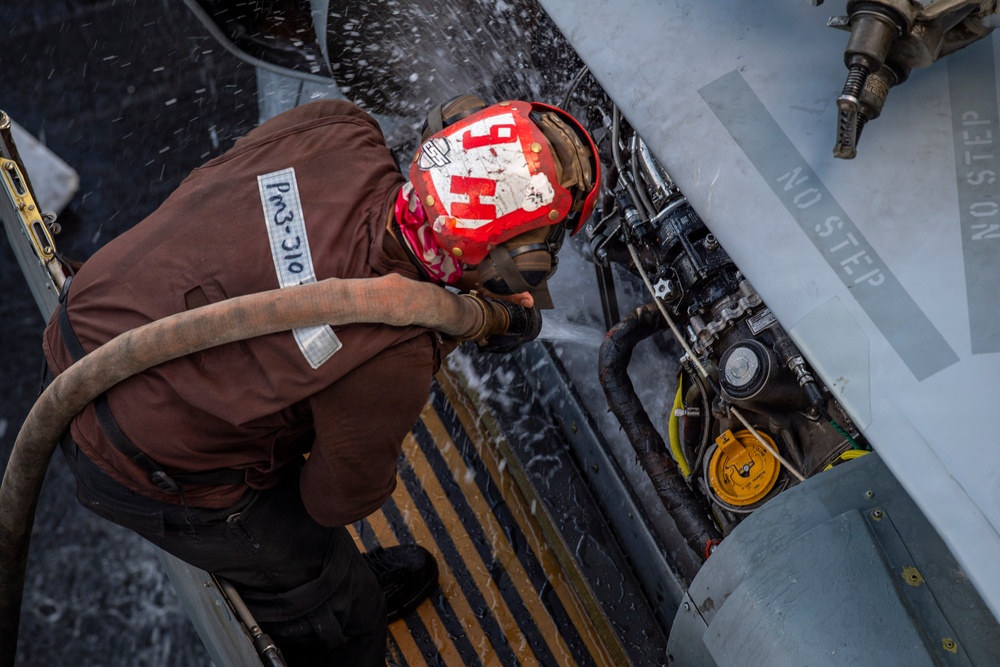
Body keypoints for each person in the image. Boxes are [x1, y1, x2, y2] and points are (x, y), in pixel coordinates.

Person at [42, 94, 599, 664]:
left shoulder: (338, 127)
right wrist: (432, 343)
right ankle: (317, 606)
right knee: (344, 610)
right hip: (123, 451)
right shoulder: (393, 359)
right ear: (518, 263)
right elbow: (335, 501)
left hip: (82, 320)